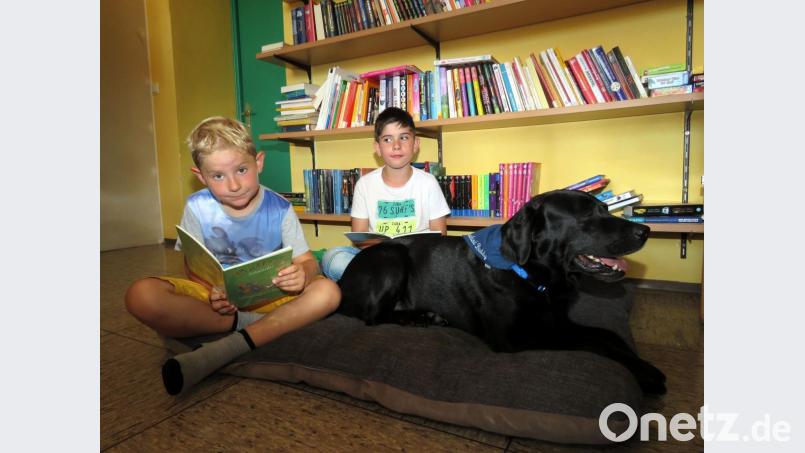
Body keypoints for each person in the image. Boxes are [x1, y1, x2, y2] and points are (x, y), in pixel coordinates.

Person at [125, 116, 341, 395]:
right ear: (200, 176)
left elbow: (307, 261)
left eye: (241, 170)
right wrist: (211, 291)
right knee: (140, 295)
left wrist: (303, 275)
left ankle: (231, 344)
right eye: (218, 176)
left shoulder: (280, 208)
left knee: (328, 291)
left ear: (258, 162)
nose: (234, 185)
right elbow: (192, 266)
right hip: (218, 303)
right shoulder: (196, 207)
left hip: (272, 298)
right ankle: (259, 327)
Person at [321, 107, 451, 281]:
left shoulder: (428, 183)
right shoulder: (365, 185)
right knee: (333, 258)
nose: (396, 146)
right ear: (378, 148)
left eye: (404, 137)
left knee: (444, 262)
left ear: (416, 144)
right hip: (378, 259)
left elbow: (440, 235)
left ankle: (387, 284)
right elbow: (360, 237)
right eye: (387, 139)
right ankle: (395, 283)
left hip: (415, 260)